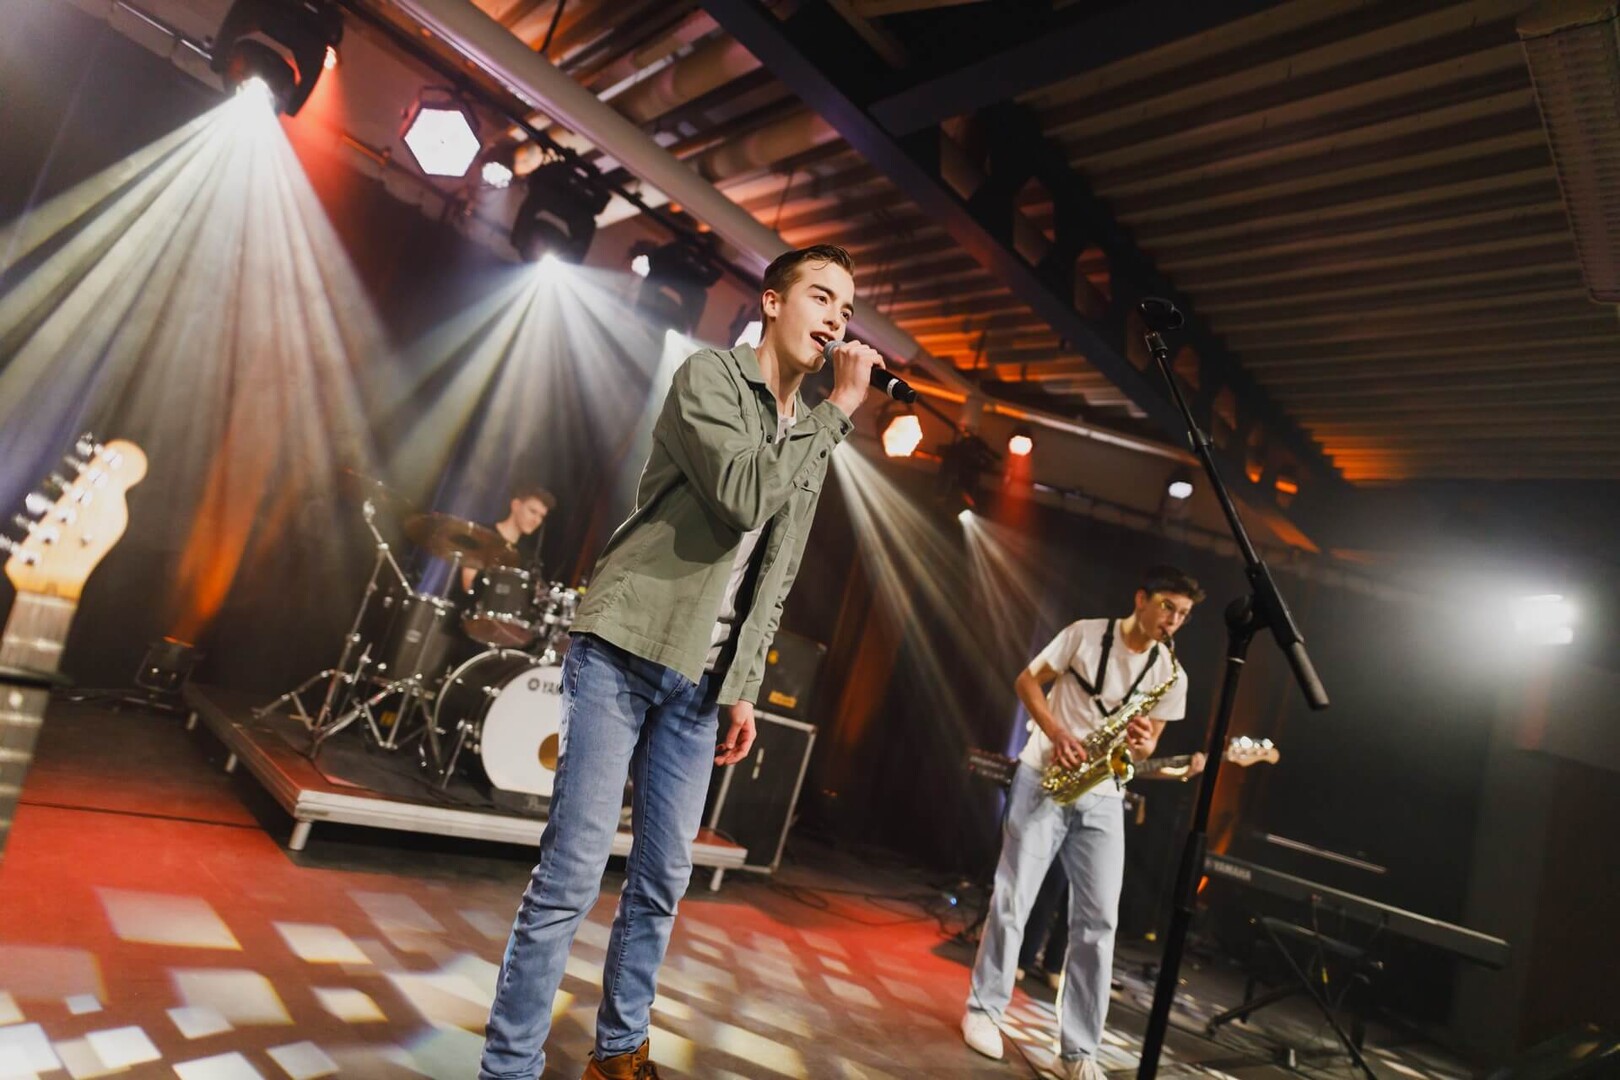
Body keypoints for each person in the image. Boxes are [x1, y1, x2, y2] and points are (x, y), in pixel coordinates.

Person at [478, 244, 882, 1080]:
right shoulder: (710, 379)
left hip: (703, 678)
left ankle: (618, 1054)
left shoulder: (806, 427)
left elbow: (778, 565)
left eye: (848, 308)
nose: (838, 319)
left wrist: (745, 685)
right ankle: (508, 1069)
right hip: (627, 645)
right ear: (771, 301)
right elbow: (743, 496)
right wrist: (840, 409)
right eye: (822, 297)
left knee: (663, 877)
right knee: (574, 871)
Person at [962, 566, 1204, 1080]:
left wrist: (1142, 742)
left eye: (1183, 614)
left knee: (1099, 924)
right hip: (1042, 774)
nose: (1173, 621)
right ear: (1141, 598)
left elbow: (1149, 746)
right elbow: (1026, 681)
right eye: (1167, 606)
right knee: (1013, 900)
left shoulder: (1171, 674)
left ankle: (1076, 1051)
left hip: (1104, 795)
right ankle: (983, 1011)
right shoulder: (1085, 634)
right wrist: (1056, 732)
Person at [461, 484, 556, 593]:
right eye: (533, 511)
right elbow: (468, 584)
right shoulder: (482, 534)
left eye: (541, 516)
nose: (536, 520)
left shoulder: (528, 557)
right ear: (515, 505)